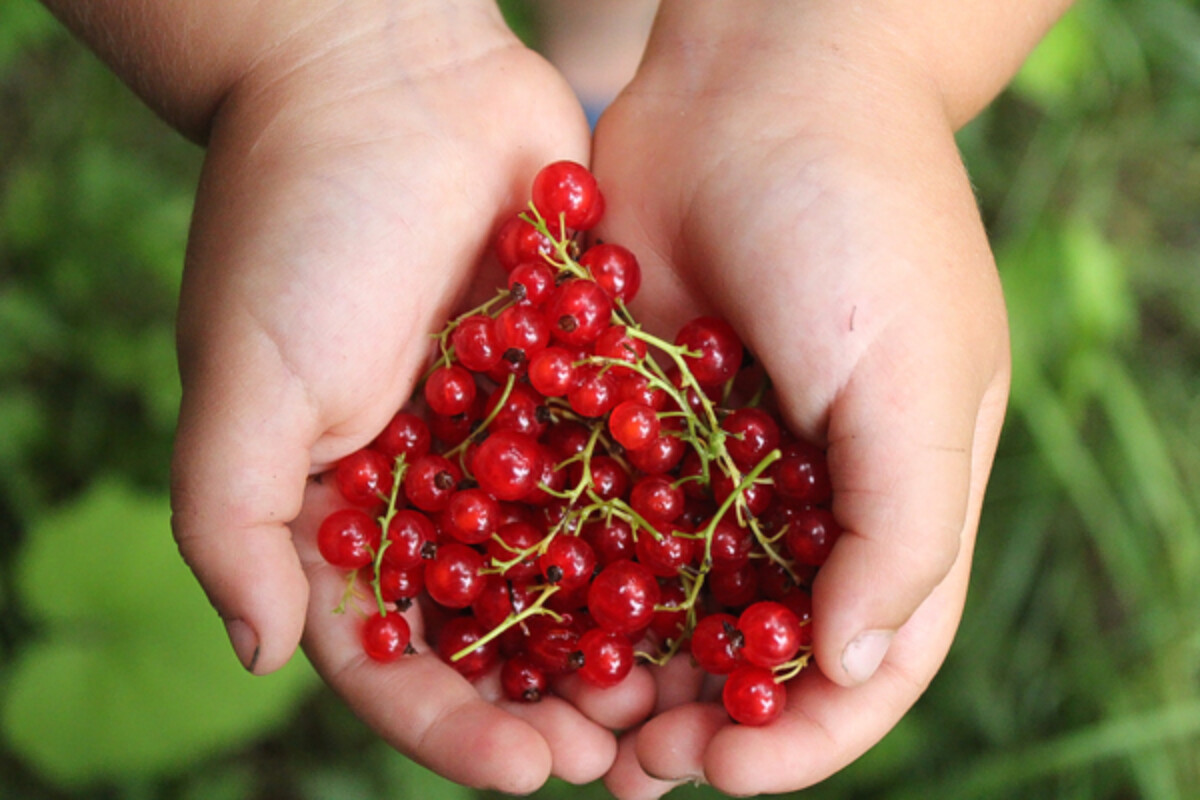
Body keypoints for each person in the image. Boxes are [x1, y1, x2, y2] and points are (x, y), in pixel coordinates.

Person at [39, 0, 1072, 796]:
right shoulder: (517, 437)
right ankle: (652, 64)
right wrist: (318, 44)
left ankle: (667, 57)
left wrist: (841, 60)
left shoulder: (639, 476)